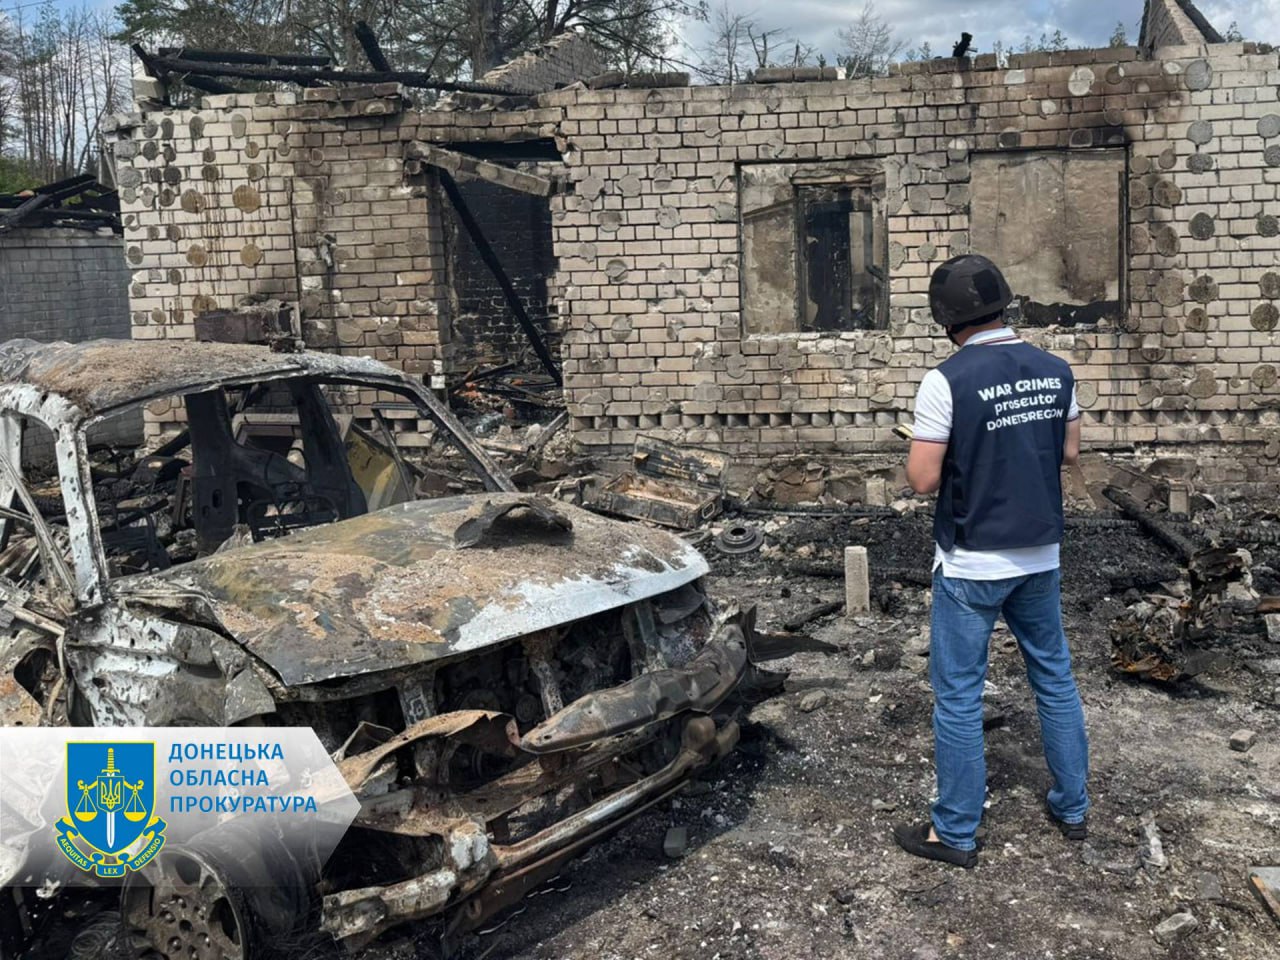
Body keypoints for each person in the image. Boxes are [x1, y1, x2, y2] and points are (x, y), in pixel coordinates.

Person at [892, 254, 1090, 869]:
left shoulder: (945, 380)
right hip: (1039, 554)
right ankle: (1073, 807)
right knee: (1054, 677)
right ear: (1005, 305)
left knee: (958, 695)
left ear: (946, 318)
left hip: (973, 563)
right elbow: (1070, 454)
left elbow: (922, 479)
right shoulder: (1057, 370)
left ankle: (954, 832)